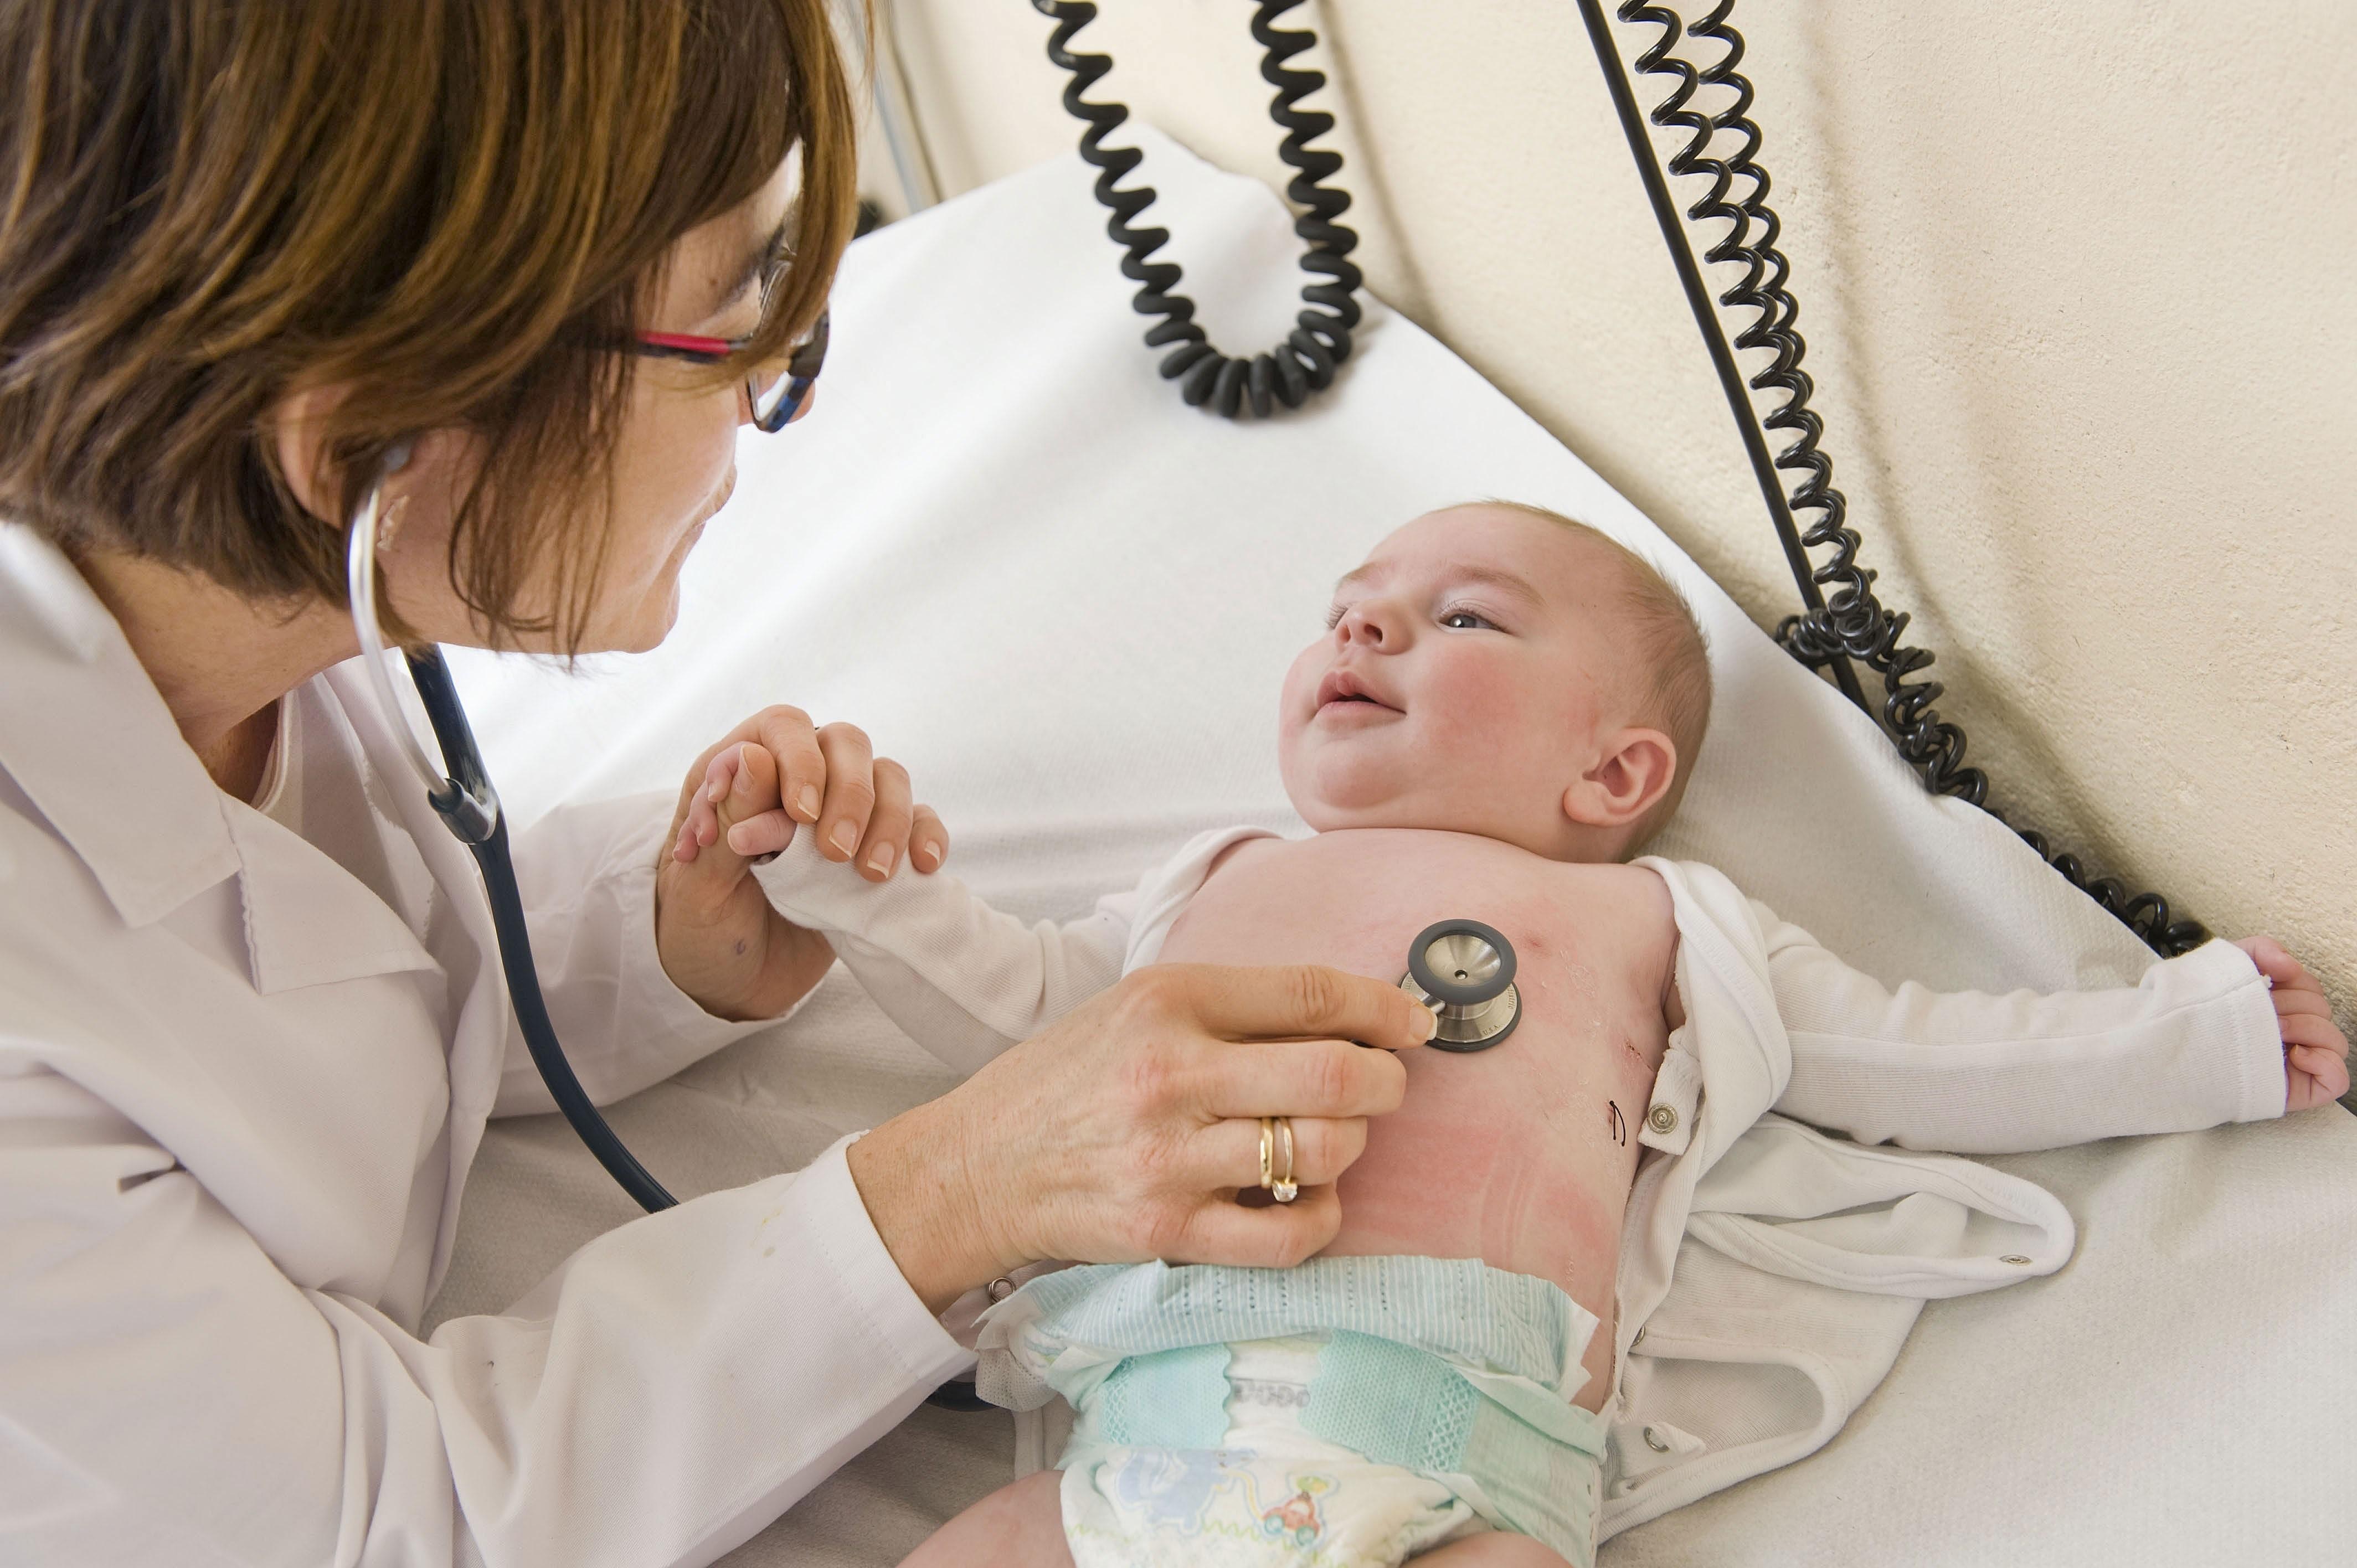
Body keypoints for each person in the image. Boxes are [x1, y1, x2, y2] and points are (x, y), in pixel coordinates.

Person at [0, 5, 1438, 1563]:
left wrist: (659, 942)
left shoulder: (209, 607)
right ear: (367, 446)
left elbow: (328, 970)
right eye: (733, 317)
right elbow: (385, 1522)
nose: (768, 401)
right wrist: (952, 1191)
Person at [713, 502, 2349, 1566]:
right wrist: (846, 884)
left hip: (1457, 1467)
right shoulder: (1209, 885)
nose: (1365, 633)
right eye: (1349, 608)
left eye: (1462, 620)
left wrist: (2187, 1040)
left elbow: (1919, 1057)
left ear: (1613, 777)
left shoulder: (1656, 927)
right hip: (1137, 1450)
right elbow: (1016, 1022)